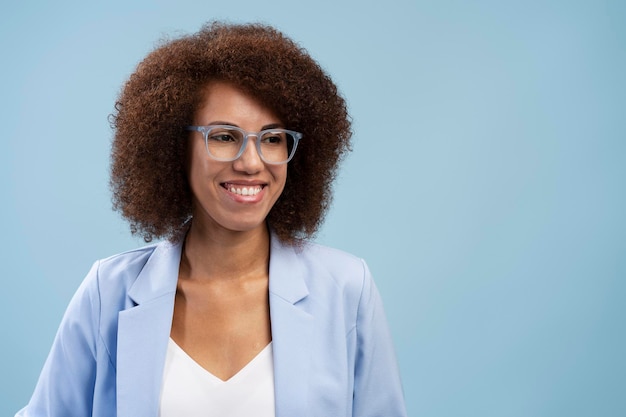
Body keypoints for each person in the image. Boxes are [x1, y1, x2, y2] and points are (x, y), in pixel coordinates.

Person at [16, 22, 407, 417]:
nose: (251, 162)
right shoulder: (108, 293)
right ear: (174, 147)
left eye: (272, 139)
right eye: (224, 136)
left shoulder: (346, 289)